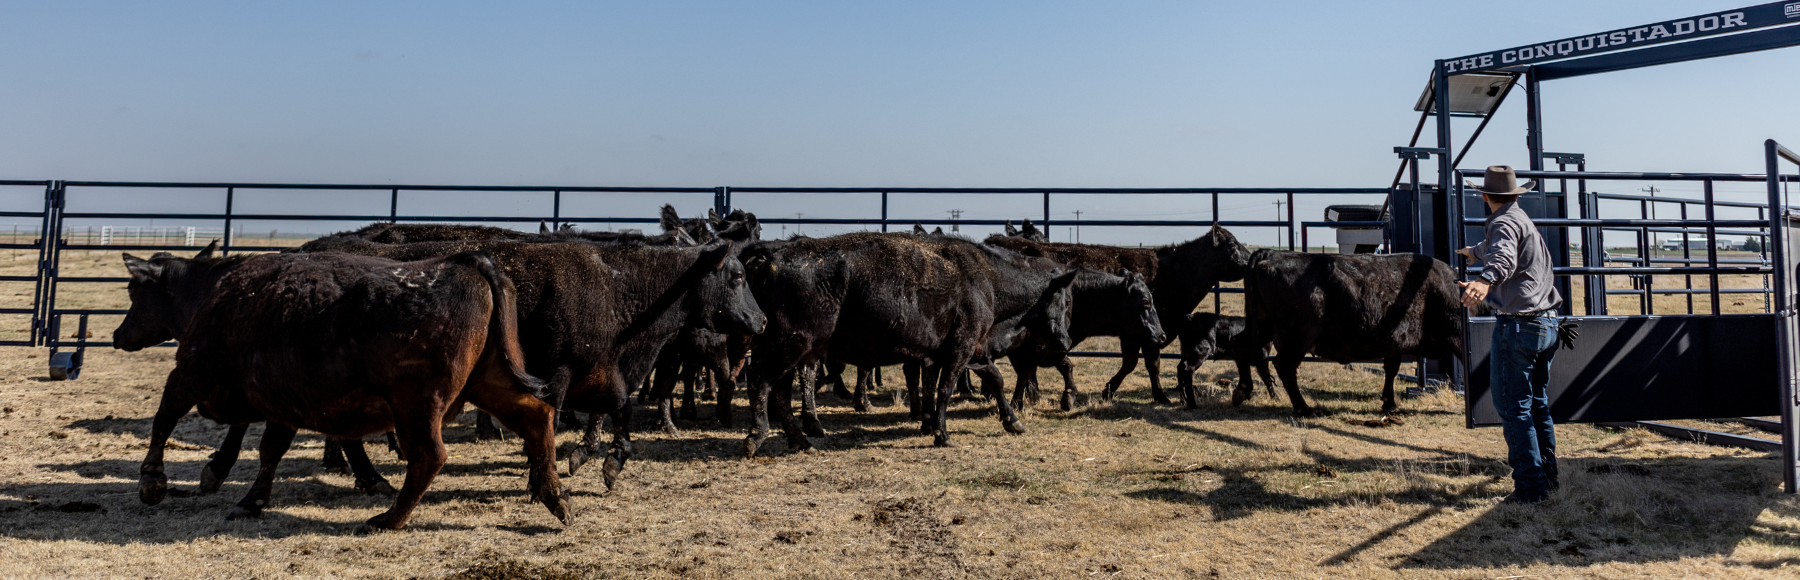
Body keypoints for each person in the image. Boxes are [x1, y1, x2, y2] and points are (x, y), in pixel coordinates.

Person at [1455, 165, 1563, 505]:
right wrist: (1474, 252)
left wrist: (1483, 281)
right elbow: (1503, 250)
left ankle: (1531, 490)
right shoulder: (1520, 221)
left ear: (1485, 196)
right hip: (1546, 323)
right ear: (1516, 195)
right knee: (1536, 405)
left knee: (1513, 408)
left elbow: (1502, 256)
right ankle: (1547, 478)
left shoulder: (1502, 223)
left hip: (1519, 325)